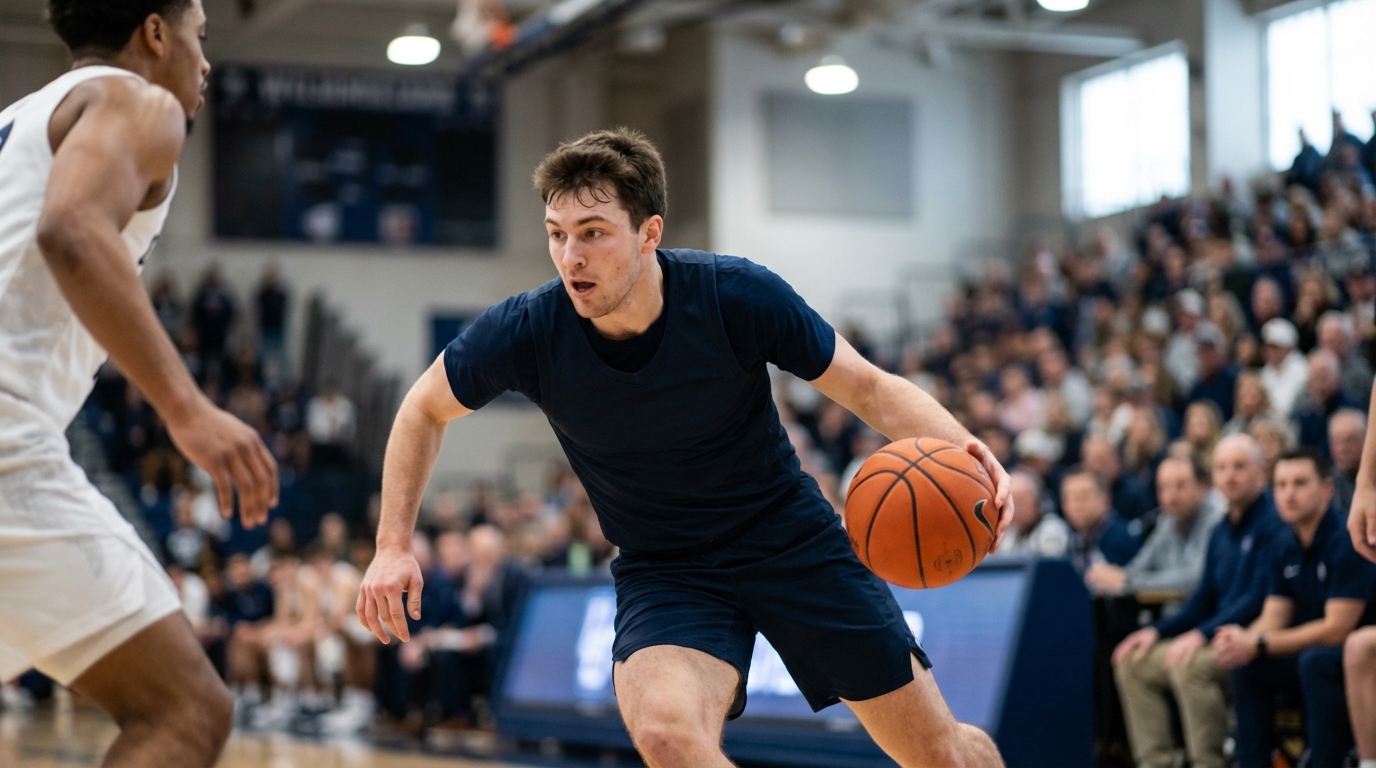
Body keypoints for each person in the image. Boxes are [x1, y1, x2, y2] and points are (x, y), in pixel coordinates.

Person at [357, 128, 1013, 767]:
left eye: (593, 233)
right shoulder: (528, 329)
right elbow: (422, 408)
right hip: (668, 569)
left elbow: (869, 389)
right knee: (668, 739)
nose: (570, 258)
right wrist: (392, 543)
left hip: (790, 541)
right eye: (557, 235)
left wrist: (967, 452)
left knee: (941, 756)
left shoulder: (735, 296)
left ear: (649, 233)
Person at [0, 1, 278, 765]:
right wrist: (186, 408)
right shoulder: (138, 101)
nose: (205, 61)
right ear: (155, 33)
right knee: (184, 710)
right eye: (199, 35)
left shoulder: (22, 118)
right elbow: (73, 230)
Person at [1111, 434, 1284, 768]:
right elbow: (1202, 599)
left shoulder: (1274, 524)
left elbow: (1257, 600)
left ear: (1261, 473)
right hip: (1214, 634)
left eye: (1239, 467)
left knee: (1190, 666)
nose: (1229, 475)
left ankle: (1208, 762)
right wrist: (1157, 632)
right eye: (1221, 467)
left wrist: (1199, 635)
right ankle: (1157, 762)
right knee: (1133, 662)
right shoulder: (1221, 530)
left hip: (1254, 638)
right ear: (1213, 477)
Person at [1214, 449, 1376, 768]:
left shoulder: (1347, 537)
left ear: (1327, 489)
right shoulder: (1283, 543)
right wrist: (1242, 641)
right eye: (1282, 485)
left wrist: (1259, 643)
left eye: (1300, 483)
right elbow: (1275, 616)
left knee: (1313, 662)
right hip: (1311, 651)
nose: (1289, 494)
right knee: (1247, 666)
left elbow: (1336, 629)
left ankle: (1327, 761)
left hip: (1356, 651)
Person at [1085, 457, 1222, 597]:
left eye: (1181, 486)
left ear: (1202, 488)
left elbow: (1194, 579)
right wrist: (1115, 575)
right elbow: (1140, 566)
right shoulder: (1167, 520)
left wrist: (1128, 582)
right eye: (1164, 487)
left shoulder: (1216, 522)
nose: (1171, 497)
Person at [1061, 468, 1143, 573]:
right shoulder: (1068, 539)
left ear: (1104, 498)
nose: (1076, 505)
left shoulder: (1126, 537)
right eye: (1069, 498)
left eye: (1083, 497)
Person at [986, 469, 1069, 560]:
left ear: (1037, 502)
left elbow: (1048, 567)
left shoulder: (1052, 529)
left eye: (1021, 502)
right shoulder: (1010, 534)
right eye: (1012, 503)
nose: (1016, 509)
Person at [1330, 409, 1366, 514]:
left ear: (1365, 440)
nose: (1342, 449)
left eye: (1350, 440)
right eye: (1337, 440)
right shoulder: (1328, 482)